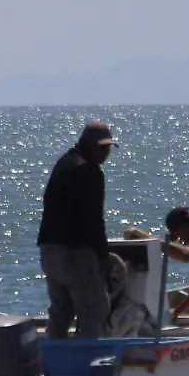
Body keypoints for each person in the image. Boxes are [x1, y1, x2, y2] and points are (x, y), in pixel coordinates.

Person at [36, 120, 117, 338]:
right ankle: (91, 360)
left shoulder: (64, 163)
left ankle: (52, 358)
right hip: (75, 253)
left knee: (61, 310)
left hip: (49, 249)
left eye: (108, 147)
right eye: (102, 147)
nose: (106, 152)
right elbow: (93, 218)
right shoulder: (89, 171)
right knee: (94, 309)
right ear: (88, 144)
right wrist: (103, 256)